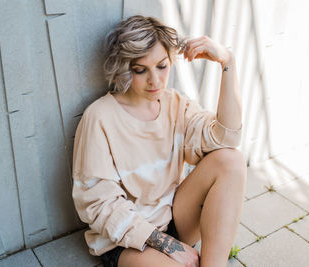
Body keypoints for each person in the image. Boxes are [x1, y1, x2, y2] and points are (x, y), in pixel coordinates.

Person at [72, 15, 246, 267]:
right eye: (141, 70)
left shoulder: (176, 104)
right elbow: (99, 204)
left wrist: (227, 62)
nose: (155, 81)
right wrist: (169, 246)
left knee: (230, 159)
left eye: (162, 66)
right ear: (124, 68)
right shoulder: (99, 117)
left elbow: (227, 137)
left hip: (174, 217)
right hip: (126, 238)